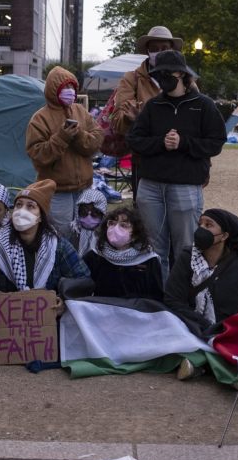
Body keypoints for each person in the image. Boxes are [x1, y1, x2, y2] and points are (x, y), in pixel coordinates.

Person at [126, 50, 227, 282]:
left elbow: (216, 142)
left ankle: (182, 297)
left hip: (185, 186)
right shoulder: (153, 106)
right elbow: (135, 140)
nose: (161, 78)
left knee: (185, 248)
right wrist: (161, 142)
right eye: (157, 74)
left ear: (181, 73)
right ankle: (159, 297)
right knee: (153, 248)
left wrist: (184, 143)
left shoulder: (203, 105)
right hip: (151, 186)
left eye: (166, 73)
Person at [0, 179, 90, 362]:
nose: (22, 211)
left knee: (74, 318)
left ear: (40, 215)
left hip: (45, 316)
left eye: (30, 206)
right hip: (4, 317)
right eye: (18, 205)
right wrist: (8, 303)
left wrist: (63, 301)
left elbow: (83, 279)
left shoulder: (58, 246)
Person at [164, 209, 238, 379]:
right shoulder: (186, 258)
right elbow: (172, 299)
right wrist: (202, 323)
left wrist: (232, 325)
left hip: (227, 330)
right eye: (200, 224)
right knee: (171, 325)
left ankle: (200, 365)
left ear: (224, 236)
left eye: (208, 225)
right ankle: (220, 366)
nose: (201, 229)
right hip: (192, 325)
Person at [25, 66, 103, 243]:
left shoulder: (81, 111)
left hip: (84, 187)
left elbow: (96, 140)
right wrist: (61, 137)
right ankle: (61, 269)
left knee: (86, 234)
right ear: (54, 91)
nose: (70, 92)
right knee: (62, 236)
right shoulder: (40, 118)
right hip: (57, 190)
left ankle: (82, 269)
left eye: (72, 87)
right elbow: (38, 155)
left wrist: (79, 135)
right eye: (64, 88)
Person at [109, 26, 183, 193]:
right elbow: (118, 122)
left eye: (164, 48)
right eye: (154, 49)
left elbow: (198, 120)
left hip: (180, 162)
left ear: (171, 49)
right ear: (147, 51)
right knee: (145, 216)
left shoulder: (185, 78)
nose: (159, 52)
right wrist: (130, 119)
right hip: (146, 161)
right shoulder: (132, 79)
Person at [83, 205, 163, 300]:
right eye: (112, 223)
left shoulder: (149, 260)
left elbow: (156, 297)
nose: (116, 228)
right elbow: (81, 286)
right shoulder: (95, 256)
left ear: (135, 234)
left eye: (123, 225)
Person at [71, 187, 107, 259]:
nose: (88, 217)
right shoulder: (74, 233)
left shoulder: (106, 237)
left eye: (95, 213)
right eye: (84, 212)